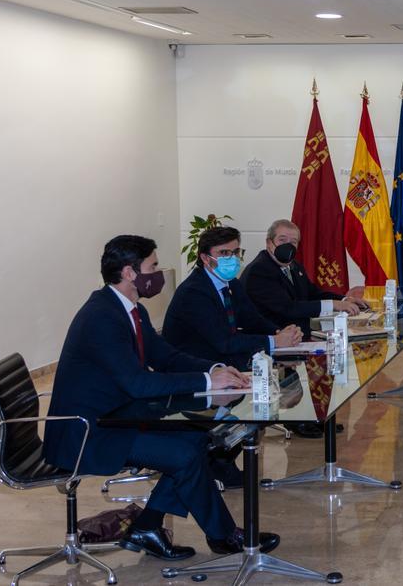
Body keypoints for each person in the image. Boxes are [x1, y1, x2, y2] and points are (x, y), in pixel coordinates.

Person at [43, 235, 279, 560]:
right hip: (87, 432)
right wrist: (209, 380)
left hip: (119, 416)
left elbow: (166, 356)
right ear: (129, 272)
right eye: (152, 266)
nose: (158, 273)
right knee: (183, 455)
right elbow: (139, 384)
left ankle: (150, 526)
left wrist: (218, 369)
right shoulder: (101, 317)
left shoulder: (130, 309)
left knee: (199, 440)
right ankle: (223, 536)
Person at [163, 226, 302, 371]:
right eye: (224, 253)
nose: (232, 258)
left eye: (235, 252)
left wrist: (282, 333)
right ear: (205, 258)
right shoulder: (193, 292)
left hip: (226, 363)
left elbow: (253, 321)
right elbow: (224, 342)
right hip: (194, 370)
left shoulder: (232, 284)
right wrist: (275, 341)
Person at [241, 219, 368, 337]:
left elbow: (313, 293)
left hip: (299, 335)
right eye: (282, 240)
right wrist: (334, 305)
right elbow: (288, 308)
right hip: (272, 341)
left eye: (293, 242)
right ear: (269, 242)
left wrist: (346, 300)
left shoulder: (294, 265)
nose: (288, 246)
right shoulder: (259, 270)